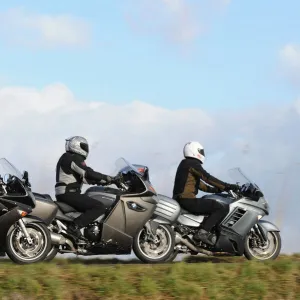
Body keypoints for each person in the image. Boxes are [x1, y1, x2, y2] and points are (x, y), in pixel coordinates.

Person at [172, 141, 239, 246]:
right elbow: (207, 177)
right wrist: (227, 186)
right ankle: (203, 232)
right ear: (194, 151)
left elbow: (202, 186)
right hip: (187, 200)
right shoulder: (192, 164)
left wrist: (218, 190)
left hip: (181, 199)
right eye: (201, 151)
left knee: (211, 203)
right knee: (221, 207)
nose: (203, 154)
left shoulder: (185, 164)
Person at [55, 136, 117, 241]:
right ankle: (74, 227)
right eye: (84, 146)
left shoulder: (69, 157)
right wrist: (108, 178)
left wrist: (108, 181)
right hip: (68, 193)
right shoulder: (71, 157)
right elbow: (88, 172)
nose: (86, 149)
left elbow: (87, 178)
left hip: (67, 193)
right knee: (99, 206)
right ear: (76, 146)